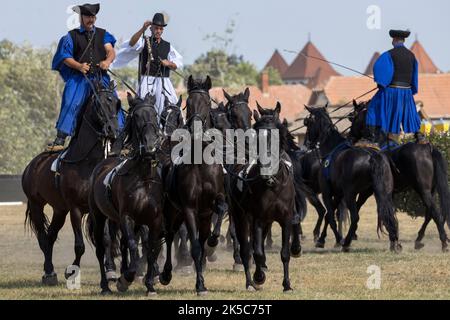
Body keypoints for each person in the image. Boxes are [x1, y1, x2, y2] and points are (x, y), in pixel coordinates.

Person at [48, 3, 125, 152]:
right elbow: (65, 57)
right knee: (71, 101)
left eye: (93, 16)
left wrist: (107, 61)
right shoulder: (71, 36)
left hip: (100, 77)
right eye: (88, 16)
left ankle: (121, 137)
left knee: (113, 102)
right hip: (79, 79)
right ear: (81, 17)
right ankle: (61, 138)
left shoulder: (103, 35)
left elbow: (110, 51)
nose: (91, 19)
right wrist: (79, 66)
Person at [112, 13, 183, 121]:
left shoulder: (168, 46)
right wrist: (142, 29)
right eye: (156, 28)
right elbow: (132, 43)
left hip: (164, 81)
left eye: (160, 29)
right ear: (151, 28)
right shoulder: (144, 41)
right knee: (140, 108)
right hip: (147, 80)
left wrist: (169, 63)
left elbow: (177, 63)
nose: (158, 31)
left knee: (173, 108)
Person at [365, 29, 425, 147]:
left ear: (395, 40)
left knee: (372, 108)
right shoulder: (412, 56)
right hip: (406, 93)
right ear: (403, 40)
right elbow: (414, 77)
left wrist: (381, 84)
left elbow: (381, 73)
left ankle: (370, 138)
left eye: (393, 39)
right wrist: (409, 91)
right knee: (411, 113)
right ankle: (419, 135)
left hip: (391, 91)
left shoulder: (388, 55)